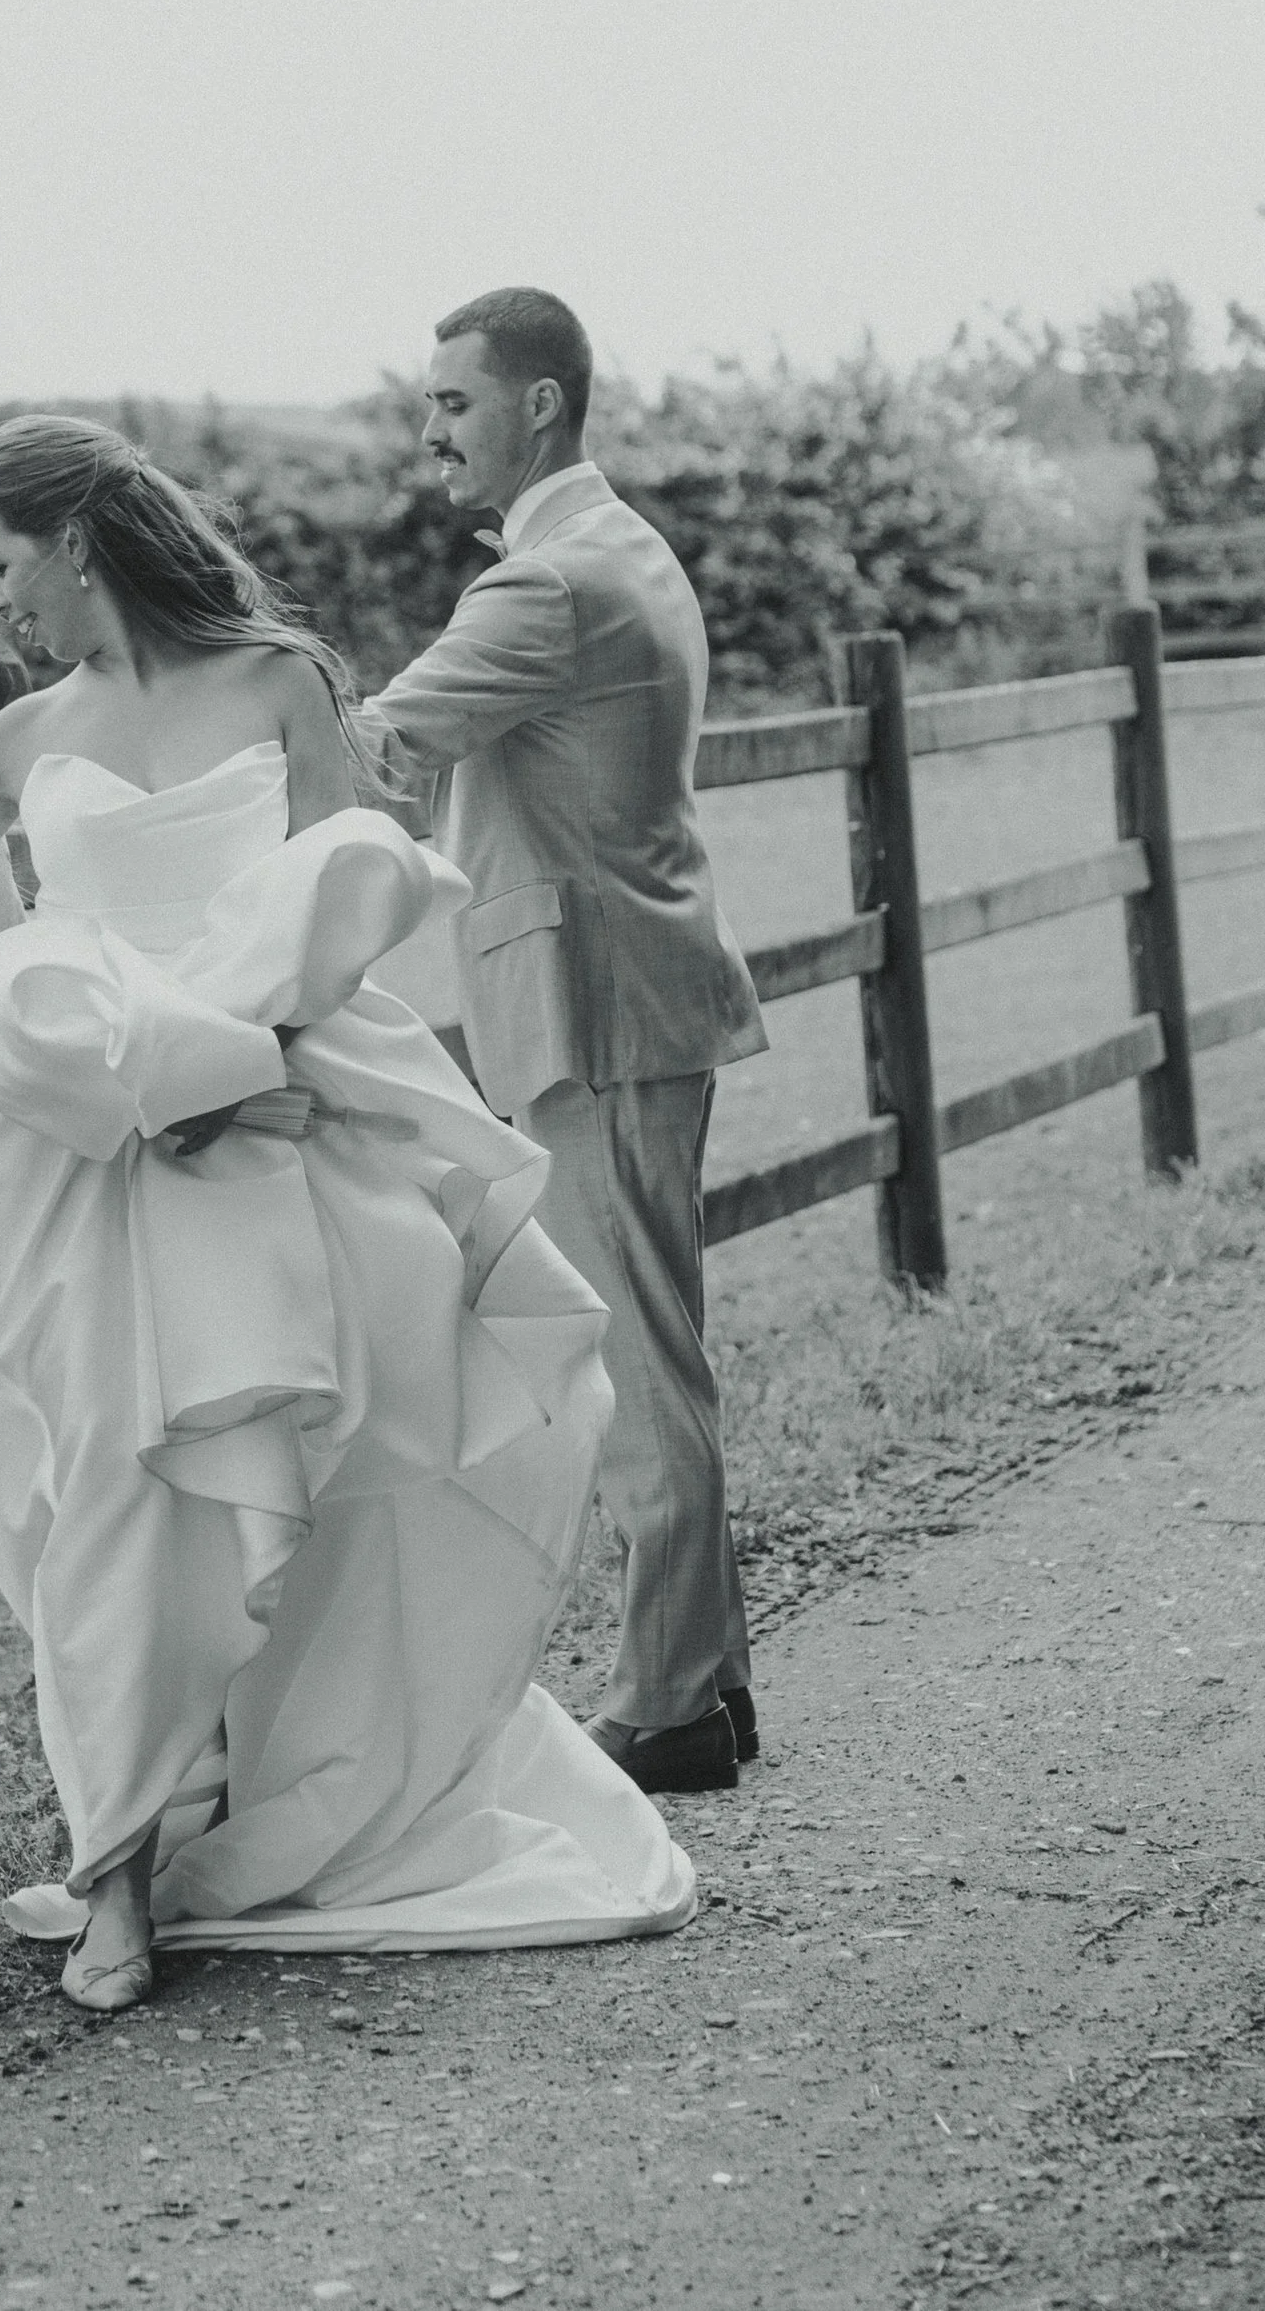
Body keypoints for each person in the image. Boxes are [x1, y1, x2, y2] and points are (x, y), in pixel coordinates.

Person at [0, 413, 695, 2014]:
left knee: (300, 1496)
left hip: (269, 1139)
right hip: (81, 1168)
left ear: (79, 542)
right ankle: (112, 1866)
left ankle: (231, 1815)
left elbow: (354, 882)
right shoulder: (24, 733)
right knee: (91, 1495)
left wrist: (250, 1062)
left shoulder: (276, 683)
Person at [361, 290, 767, 1795]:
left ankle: (668, 1709)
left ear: (537, 405)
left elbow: (375, 745)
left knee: (631, 1357)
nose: (431, 433)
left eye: (453, 404)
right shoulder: (624, 547)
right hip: (642, 988)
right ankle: (706, 1685)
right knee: (660, 1340)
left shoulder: (543, 587)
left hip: (590, 1005)